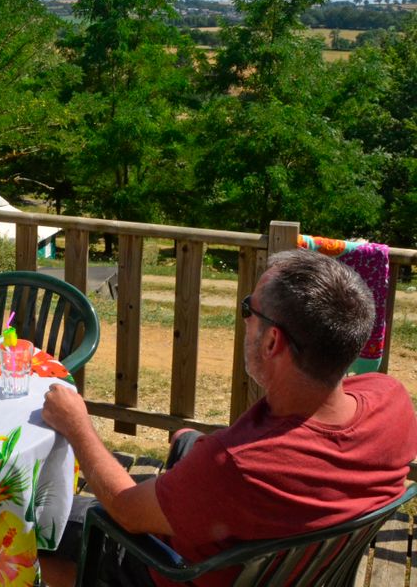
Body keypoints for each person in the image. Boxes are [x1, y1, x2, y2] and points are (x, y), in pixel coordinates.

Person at [40, 248, 417, 587]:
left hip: (171, 568)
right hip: (279, 559)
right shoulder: (391, 400)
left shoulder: (236, 465)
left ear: (272, 342)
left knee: (38, 518)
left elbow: (126, 509)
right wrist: (201, 453)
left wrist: (77, 424)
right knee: (188, 440)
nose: (245, 320)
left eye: (248, 309)